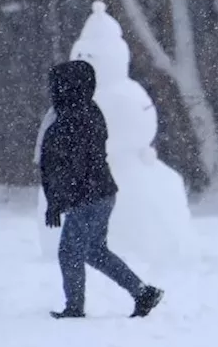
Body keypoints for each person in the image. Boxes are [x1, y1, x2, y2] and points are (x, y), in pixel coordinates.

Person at [38, 60, 163, 319]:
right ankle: (142, 292)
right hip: (101, 193)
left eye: (57, 85)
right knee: (94, 251)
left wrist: (57, 200)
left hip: (88, 197)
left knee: (70, 253)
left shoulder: (74, 117)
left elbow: (68, 166)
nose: (53, 90)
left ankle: (74, 308)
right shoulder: (85, 110)